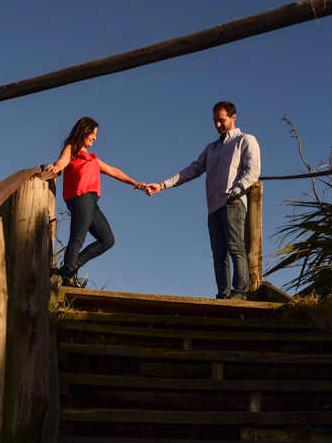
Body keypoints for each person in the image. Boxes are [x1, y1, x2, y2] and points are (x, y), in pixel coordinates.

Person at [144, 101, 260, 300]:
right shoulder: (211, 148)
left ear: (233, 117)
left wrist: (235, 192)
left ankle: (240, 293)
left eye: (221, 120)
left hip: (232, 203)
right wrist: (162, 185)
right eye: (214, 121)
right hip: (213, 207)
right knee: (218, 254)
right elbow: (192, 170)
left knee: (236, 247)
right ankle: (223, 295)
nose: (217, 125)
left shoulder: (245, 140)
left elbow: (253, 170)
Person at [48, 117, 146, 287]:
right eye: (93, 133)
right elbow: (63, 160)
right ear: (83, 132)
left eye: (95, 134)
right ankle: (68, 277)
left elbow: (112, 170)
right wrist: (57, 166)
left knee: (107, 240)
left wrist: (134, 183)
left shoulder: (92, 158)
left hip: (92, 201)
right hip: (80, 197)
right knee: (78, 238)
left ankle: (71, 266)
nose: (95, 137)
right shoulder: (72, 148)